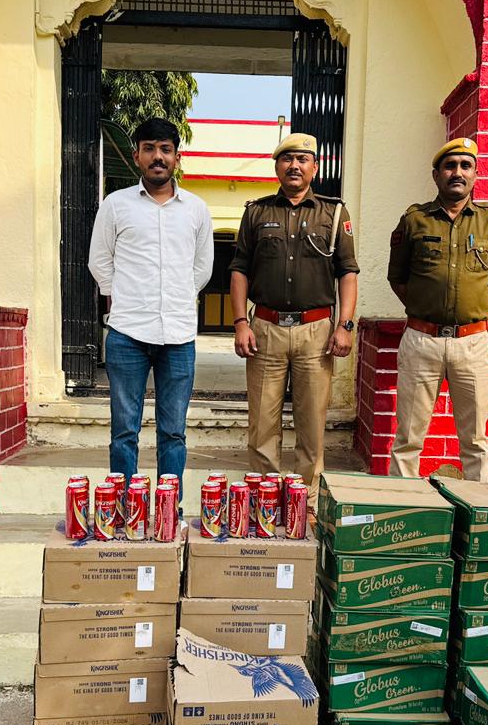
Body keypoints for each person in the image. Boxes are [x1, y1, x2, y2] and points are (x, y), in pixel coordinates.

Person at [88, 118, 214, 489]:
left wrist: (178, 295)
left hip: (178, 336)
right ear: (137, 156)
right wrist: (122, 296)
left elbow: (203, 267)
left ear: (176, 157)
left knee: (173, 432)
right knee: (124, 431)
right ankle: (125, 507)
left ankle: (169, 509)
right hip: (127, 333)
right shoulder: (116, 205)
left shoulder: (196, 209)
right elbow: (100, 261)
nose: (158, 157)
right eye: (149, 149)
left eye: (165, 149)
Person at [229, 133, 359, 487]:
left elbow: (347, 272)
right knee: (262, 426)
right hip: (265, 330)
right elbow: (239, 270)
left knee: (311, 426)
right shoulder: (256, 212)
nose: (295, 166)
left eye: (303, 159)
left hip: (316, 333)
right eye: (287, 159)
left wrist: (344, 325)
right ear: (277, 167)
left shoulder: (334, 213)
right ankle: (265, 503)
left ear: (315, 167)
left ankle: (307, 504)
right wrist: (240, 322)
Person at [386, 137, 488, 482]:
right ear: (436, 175)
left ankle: (479, 508)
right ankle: (404, 504)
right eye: (450, 166)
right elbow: (398, 277)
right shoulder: (415, 220)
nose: (458, 172)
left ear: (475, 174)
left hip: (472, 344)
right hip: (421, 341)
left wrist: (465, 309)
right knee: (408, 438)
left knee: (475, 441)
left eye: (465, 166)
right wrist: (427, 307)